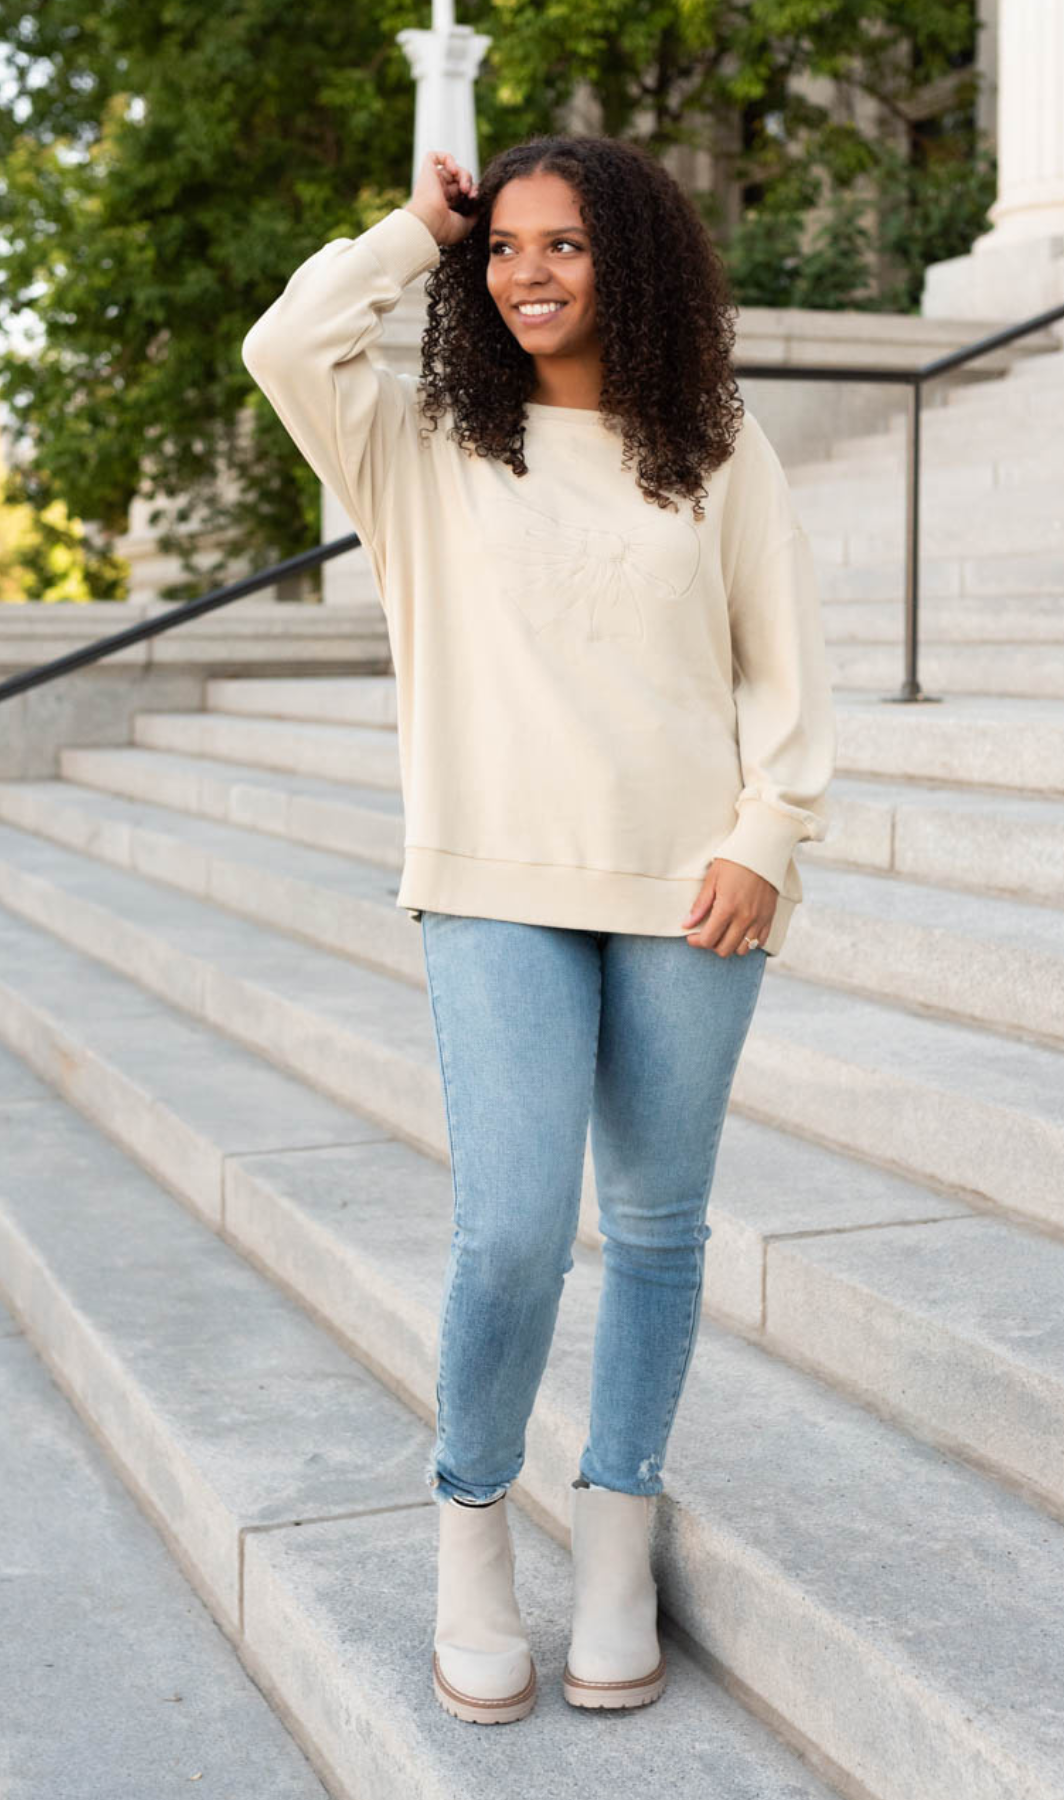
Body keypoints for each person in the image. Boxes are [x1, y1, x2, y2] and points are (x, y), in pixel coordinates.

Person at [241, 132, 836, 1727]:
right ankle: (473, 1538)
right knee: (509, 1231)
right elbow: (286, 342)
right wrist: (409, 228)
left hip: (689, 891)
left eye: (562, 244)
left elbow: (784, 663)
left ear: (625, 260)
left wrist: (768, 838)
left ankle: (621, 1544)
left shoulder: (713, 448)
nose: (526, 274)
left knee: (652, 1232)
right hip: (493, 882)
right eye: (500, 247)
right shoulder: (421, 448)